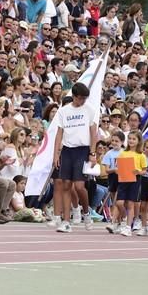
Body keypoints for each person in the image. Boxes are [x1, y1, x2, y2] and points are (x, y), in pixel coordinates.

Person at [52, 82, 98, 233]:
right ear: (73, 96)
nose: (83, 101)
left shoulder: (89, 110)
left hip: (82, 150)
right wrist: (56, 154)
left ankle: (86, 212)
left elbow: (93, 133)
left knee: (79, 186)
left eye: (85, 98)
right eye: (80, 98)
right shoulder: (63, 111)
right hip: (67, 150)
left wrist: (92, 153)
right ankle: (66, 221)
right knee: (65, 185)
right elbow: (59, 133)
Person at [115, 130, 146, 237]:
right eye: (130, 138)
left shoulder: (141, 155)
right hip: (123, 180)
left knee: (130, 204)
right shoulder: (123, 153)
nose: (131, 141)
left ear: (138, 141)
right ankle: (124, 219)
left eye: (134, 139)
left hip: (135, 180)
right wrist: (118, 168)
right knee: (119, 203)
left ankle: (128, 227)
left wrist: (139, 172)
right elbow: (119, 165)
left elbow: (145, 170)